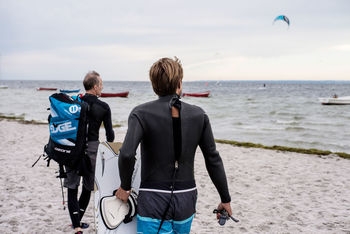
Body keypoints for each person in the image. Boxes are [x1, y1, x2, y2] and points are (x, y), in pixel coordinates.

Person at [116, 57, 232, 233]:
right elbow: (213, 158)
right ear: (179, 83)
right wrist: (225, 199)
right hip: (186, 198)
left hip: (153, 198)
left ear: (154, 85)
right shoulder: (199, 115)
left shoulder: (141, 113)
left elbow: (126, 154)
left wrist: (125, 186)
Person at [64, 71, 115, 234]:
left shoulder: (75, 102)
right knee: (87, 186)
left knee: (72, 186)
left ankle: (77, 225)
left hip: (72, 147)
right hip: (92, 148)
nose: (102, 87)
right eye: (101, 84)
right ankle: (78, 220)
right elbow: (110, 136)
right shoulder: (104, 107)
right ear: (94, 87)